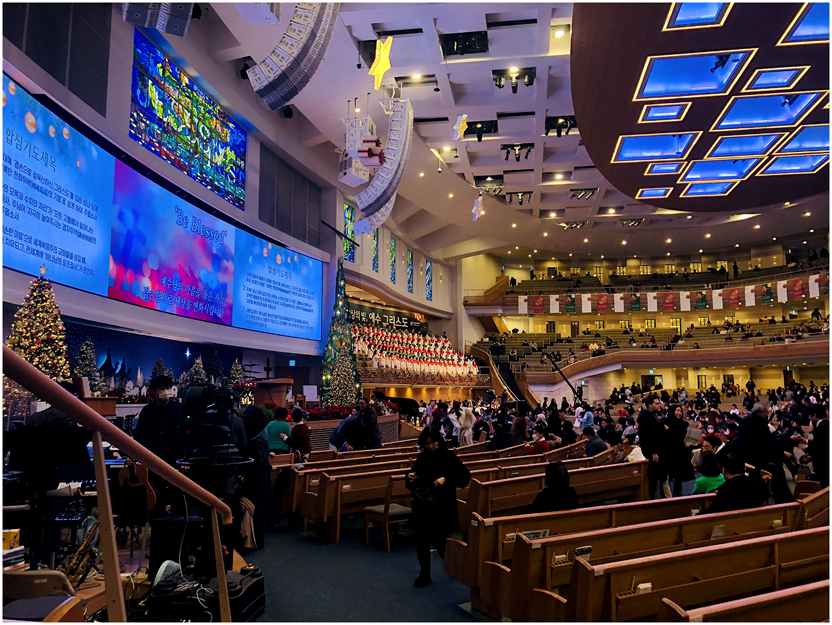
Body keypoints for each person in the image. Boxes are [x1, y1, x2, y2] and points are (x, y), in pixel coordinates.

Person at [407, 429, 471, 587]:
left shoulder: (449, 456)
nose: (430, 446)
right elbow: (414, 477)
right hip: (423, 505)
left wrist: (446, 479)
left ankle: (454, 568)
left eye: (433, 443)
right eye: (427, 443)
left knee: (441, 543)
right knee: (421, 542)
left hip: (442, 506)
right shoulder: (422, 457)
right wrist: (411, 477)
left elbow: (464, 477)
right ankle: (424, 574)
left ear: (439, 441)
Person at [240, 406, 270, 549]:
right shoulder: (261, 436)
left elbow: (256, 462)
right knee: (258, 508)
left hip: (254, 480)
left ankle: (254, 540)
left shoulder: (254, 442)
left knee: (254, 509)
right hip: (261, 479)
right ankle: (257, 539)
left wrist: (246, 473)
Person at [700, 454, 769, 514]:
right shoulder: (756, 484)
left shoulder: (724, 489)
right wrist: (753, 470)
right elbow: (766, 493)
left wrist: (696, 515)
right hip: (754, 523)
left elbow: (714, 510)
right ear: (744, 469)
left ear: (724, 470)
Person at [637, 394, 671, 499]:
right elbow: (647, 436)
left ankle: (665, 498)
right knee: (656, 477)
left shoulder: (652, 415)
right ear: (650, 405)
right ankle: (658, 500)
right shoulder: (645, 417)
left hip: (659, 450)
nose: (659, 405)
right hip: (653, 452)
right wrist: (653, 452)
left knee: (661, 476)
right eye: (657, 403)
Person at [665, 405, 695, 496]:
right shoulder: (665, 421)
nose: (679, 413)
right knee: (667, 472)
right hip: (667, 449)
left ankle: (678, 492)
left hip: (679, 451)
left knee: (678, 473)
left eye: (680, 411)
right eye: (677, 411)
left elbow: (678, 437)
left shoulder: (683, 424)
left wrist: (668, 430)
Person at [807, 404, 829, 487]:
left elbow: (819, 447)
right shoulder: (826, 424)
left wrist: (808, 448)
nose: (809, 418)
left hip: (823, 464)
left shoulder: (821, 427)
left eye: (810, 415)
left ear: (814, 415)